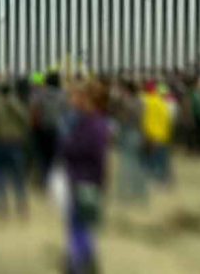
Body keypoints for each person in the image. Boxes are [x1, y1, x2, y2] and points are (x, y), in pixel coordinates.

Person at [60, 81, 110, 274]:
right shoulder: (90, 121)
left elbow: (93, 154)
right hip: (84, 179)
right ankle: (83, 262)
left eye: (81, 97)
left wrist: (68, 146)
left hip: (85, 180)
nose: (75, 100)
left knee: (79, 226)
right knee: (81, 225)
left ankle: (79, 265)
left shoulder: (93, 124)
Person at [0, 80, 30, 219]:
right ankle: (22, 205)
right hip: (15, 143)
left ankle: (2, 207)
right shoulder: (17, 103)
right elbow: (26, 120)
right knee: (18, 176)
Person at [113, 80, 148, 203]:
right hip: (138, 133)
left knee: (126, 163)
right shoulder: (141, 102)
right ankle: (139, 192)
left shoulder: (127, 103)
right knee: (137, 163)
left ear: (127, 91)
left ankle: (125, 193)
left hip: (128, 133)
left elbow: (121, 117)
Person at [31, 71, 67, 186]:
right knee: (54, 157)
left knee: (42, 156)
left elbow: (35, 111)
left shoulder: (40, 94)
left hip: (43, 129)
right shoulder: (63, 95)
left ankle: (43, 179)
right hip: (58, 129)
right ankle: (52, 181)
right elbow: (67, 112)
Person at [142, 81, 173, 185]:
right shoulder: (162, 102)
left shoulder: (145, 100)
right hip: (162, 134)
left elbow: (144, 119)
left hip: (150, 134)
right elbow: (167, 119)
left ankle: (151, 177)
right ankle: (163, 178)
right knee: (161, 158)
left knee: (149, 157)